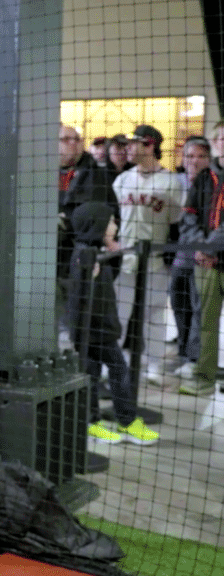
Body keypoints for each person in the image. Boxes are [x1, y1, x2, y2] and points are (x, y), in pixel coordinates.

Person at [68, 203, 159, 444]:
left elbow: (109, 281)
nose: (115, 226)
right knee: (116, 371)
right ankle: (126, 421)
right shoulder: (85, 256)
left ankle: (93, 422)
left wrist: (113, 253)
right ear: (96, 225)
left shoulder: (96, 251)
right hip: (93, 331)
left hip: (98, 329)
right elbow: (80, 294)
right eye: (111, 222)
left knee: (94, 374)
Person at [112, 124, 185, 386]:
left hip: (156, 262)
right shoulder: (122, 180)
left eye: (134, 143)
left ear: (150, 145)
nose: (128, 148)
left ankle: (154, 367)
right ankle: (115, 367)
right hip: (124, 260)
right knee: (118, 317)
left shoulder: (171, 183)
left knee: (153, 317)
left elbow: (177, 222)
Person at [56, 125, 117, 342]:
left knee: (82, 321)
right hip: (51, 257)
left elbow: (98, 217)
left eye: (76, 139)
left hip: (80, 256)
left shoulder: (93, 173)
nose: (73, 143)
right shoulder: (46, 170)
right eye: (65, 139)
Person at [179, 131, 224, 396]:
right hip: (206, 264)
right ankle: (204, 377)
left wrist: (210, 247)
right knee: (205, 321)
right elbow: (188, 216)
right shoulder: (205, 178)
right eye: (220, 137)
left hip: (213, 256)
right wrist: (200, 248)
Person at [170, 136, 212, 380]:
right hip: (178, 256)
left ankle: (194, 358)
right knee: (179, 304)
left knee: (199, 309)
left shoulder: (214, 184)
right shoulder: (174, 182)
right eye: (190, 155)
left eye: (200, 156)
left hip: (203, 257)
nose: (194, 161)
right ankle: (184, 352)